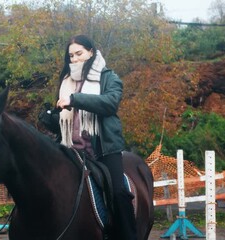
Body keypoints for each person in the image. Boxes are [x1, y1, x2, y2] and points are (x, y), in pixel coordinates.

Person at [54, 34, 137, 240]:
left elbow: (110, 103)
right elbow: (65, 120)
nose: (74, 59)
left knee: (118, 193)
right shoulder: (66, 82)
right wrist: (51, 117)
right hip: (71, 150)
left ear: (91, 52)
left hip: (103, 149)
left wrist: (75, 99)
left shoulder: (109, 77)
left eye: (79, 53)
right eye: (71, 55)